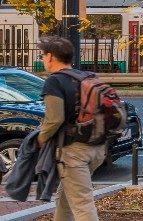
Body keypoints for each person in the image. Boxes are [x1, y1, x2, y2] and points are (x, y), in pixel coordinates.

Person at [37, 35, 107, 221]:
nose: (42, 59)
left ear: (50, 56)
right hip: (96, 148)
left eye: (42, 55)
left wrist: (40, 138)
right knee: (65, 198)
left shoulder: (55, 81)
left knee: (82, 204)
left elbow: (54, 119)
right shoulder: (86, 76)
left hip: (73, 151)